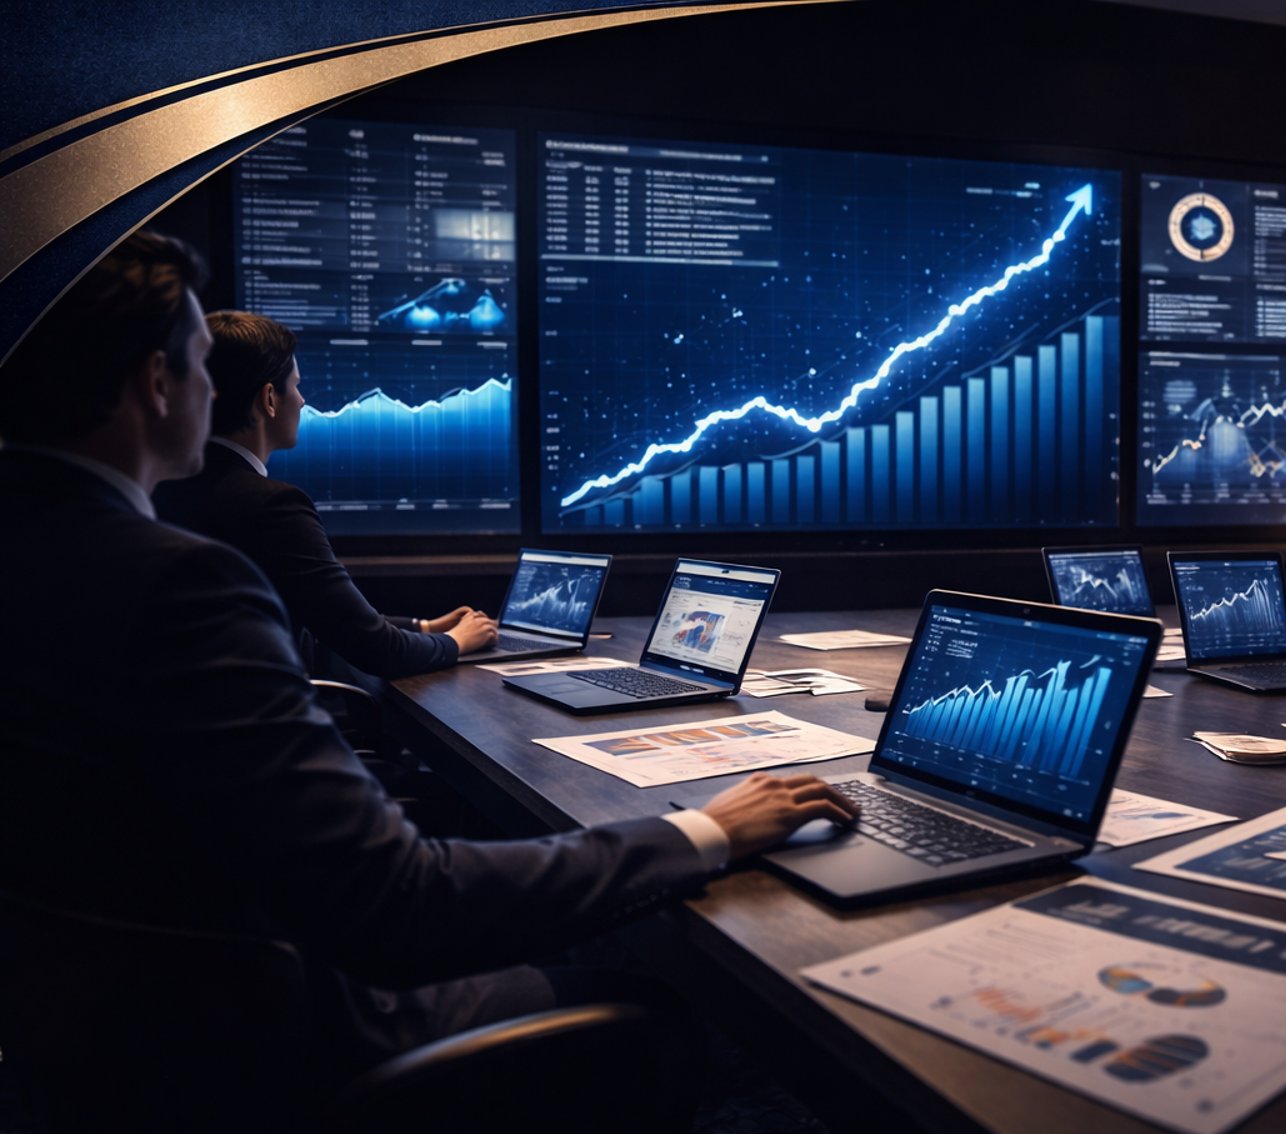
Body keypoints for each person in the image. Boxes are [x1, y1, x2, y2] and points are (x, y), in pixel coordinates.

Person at [0, 230, 856, 1077]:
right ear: (158, 383)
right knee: (656, 1016)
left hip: (101, 1037)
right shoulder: (181, 587)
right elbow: (401, 903)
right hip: (256, 1045)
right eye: (197, 361)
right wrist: (703, 829)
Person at [153, 310, 496, 677]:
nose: (302, 401)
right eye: (296, 386)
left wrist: (424, 627)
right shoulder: (272, 507)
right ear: (269, 399)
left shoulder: (165, 490)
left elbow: (315, 611)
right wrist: (458, 641)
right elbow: (377, 650)